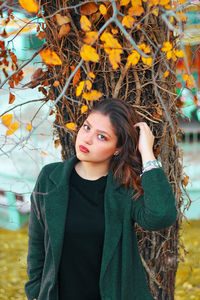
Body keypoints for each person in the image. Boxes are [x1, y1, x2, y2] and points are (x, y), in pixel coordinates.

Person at [25, 98, 177, 300]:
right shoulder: (50, 178)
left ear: (118, 148)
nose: (87, 139)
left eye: (101, 137)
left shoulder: (125, 187)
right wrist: (35, 292)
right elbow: (37, 243)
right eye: (87, 127)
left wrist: (146, 152)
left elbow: (161, 216)